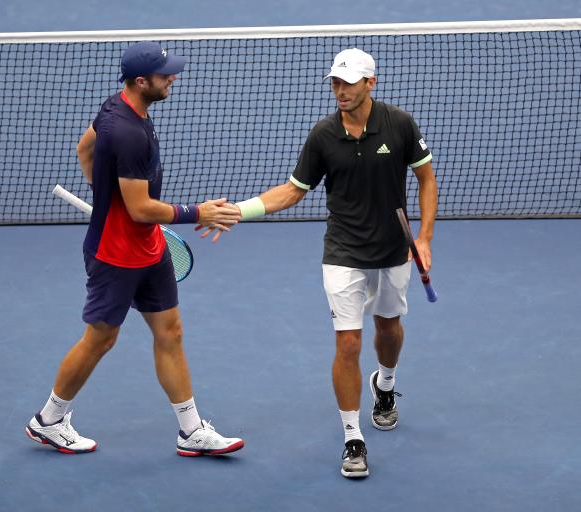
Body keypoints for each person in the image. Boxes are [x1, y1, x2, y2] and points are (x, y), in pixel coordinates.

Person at [203, 48, 438, 477]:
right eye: (335, 82)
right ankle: (353, 438)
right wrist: (238, 210)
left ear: (371, 82)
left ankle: (384, 385)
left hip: (392, 248)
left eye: (349, 82)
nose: (340, 90)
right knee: (347, 342)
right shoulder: (323, 136)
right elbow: (292, 191)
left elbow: (426, 178)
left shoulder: (400, 124)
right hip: (343, 249)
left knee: (388, 328)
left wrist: (423, 238)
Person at [25, 41, 244, 457]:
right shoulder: (128, 132)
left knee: (171, 331)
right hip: (115, 255)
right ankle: (48, 420)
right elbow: (142, 209)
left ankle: (190, 429)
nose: (173, 78)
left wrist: (101, 190)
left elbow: (84, 148)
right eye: (165, 75)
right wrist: (200, 212)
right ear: (141, 81)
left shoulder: (117, 107)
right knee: (100, 339)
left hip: (148, 248)